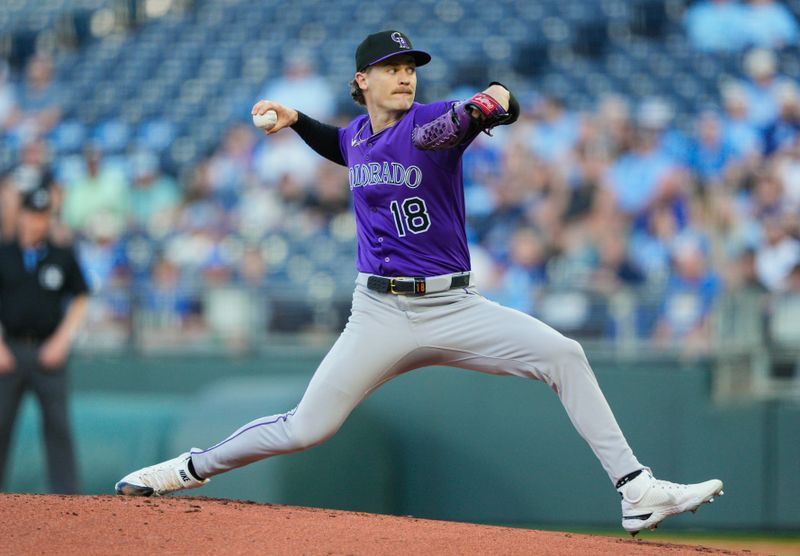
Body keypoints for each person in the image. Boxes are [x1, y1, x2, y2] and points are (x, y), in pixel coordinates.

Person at [115, 30, 724, 535]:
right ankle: (187, 469)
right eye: (390, 68)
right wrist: (298, 119)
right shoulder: (357, 135)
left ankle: (637, 490)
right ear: (362, 83)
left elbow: (504, 103)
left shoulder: (436, 122)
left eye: (410, 67)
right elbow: (342, 147)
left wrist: (488, 104)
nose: (404, 76)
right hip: (379, 312)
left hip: (456, 304)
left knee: (564, 353)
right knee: (308, 427)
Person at [0, 186, 90, 493]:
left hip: (48, 351)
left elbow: (81, 296)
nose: (36, 222)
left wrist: (62, 341)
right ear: (21, 215)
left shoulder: (61, 255)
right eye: (31, 214)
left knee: (58, 427)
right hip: (9, 350)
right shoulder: (4, 253)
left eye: (43, 216)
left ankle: (67, 503)